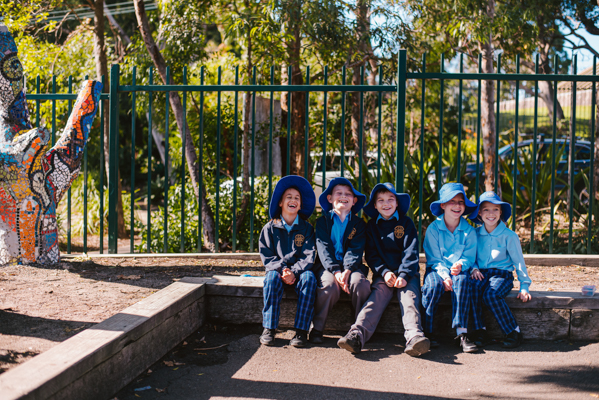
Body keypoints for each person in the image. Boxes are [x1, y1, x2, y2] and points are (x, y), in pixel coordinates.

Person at [337, 183, 430, 356]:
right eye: (380, 200)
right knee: (376, 297)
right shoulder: (372, 226)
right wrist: (385, 272)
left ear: (396, 203)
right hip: (384, 275)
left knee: (409, 298)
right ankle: (357, 334)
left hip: (408, 275)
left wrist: (403, 275)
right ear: (375, 205)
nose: (385, 203)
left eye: (390, 199)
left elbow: (411, 253)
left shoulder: (406, 223)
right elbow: (372, 255)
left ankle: (414, 337)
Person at [258, 175, 318, 347]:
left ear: (300, 204)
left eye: (297, 198)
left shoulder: (306, 228)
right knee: (270, 279)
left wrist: (295, 272)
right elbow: (267, 255)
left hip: (299, 272)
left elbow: (308, 255)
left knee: (309, 279)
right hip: (278, 272)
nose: (293, 200)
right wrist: (283, 269)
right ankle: (269, 328)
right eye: (289, 197)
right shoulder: (269, 228)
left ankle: (301, 331)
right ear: (280, 203)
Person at [469, 191, 532, 349]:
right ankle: (480, 330)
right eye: (486, 209)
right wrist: (474, 268)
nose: (491, 214)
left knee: (491, 295)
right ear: (479, 213)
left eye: (495, 209)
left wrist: (524, 286)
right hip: (481, 274)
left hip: (501, 275)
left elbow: (519, 263)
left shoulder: (509, 236)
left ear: (501, 212)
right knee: (473, 289)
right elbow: (470, 257)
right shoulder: (475, 234)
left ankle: (513, 331)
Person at [311, 178, 370, 344]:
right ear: (330, 198)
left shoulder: (359, 224)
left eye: (348, 194)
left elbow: (356, 249)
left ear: (354, 200)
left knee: (361, 284)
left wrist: (347, 270)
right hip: (328, 267)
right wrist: (336, 271)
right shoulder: (322, 222)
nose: (343, 196)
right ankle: (317, 328)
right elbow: (323, 249)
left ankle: (358, 330)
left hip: (352, 268)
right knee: (329, 286)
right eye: (339, 193)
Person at [422, 182, 478, 352]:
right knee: (432, 286)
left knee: (462, 282)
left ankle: (461, 333)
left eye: (461, 202)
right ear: (443, 205)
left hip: (459, 270)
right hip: (437, 269)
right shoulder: (433, 229)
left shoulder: (469, 231)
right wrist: (445, 276)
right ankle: (427, 331)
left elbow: (469, 256)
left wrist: (461, 264)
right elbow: (433, 258)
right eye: (452, 201)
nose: (457, 205)